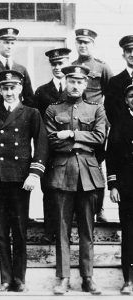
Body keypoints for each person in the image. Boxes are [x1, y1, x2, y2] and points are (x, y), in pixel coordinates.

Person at [0, 70, 48, 292]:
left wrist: (34, 174)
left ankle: (20, 279)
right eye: (5, 88)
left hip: (20, 180)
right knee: (1, 231)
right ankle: (5, 278)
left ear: (20, 89)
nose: (9, 92)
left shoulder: (31, 113)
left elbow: (42, 146)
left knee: (18, 230)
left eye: (13, 88)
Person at [44, 65, 106, 295]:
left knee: (87, 229)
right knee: (62, 229)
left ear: (85, 84)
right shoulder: (53, 109)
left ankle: (88, 277)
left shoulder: (96, 109)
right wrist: (83, 142)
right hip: (62, 174)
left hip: (89, 176)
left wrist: (71, 135)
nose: (75, 86)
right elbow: (52, 141)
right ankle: (63, 277)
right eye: (72, 81)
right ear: (66, 81)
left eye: (80, 82)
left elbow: (100, 138)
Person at [72, 28, 113, 223]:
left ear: (93, 45)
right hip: (77, 123)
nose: (83, 45)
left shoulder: (102, 68)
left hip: (96, 123)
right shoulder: (71, 67)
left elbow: (111, 96)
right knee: (77, 164)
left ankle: (100, 208)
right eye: (79, 42)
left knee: (96, 165)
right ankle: (76, 209)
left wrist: (107, 123)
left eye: (86, 42)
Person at [34, 47, 71, 243]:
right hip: (48, 149)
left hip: (69, 150)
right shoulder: (42, 91)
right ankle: (50, 231)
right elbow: (37, 123)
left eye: (61, 63)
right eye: (54, 64)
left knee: (69, 190)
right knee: (49, 189)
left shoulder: (75, 89)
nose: (57, 67)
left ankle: (66, 233)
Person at [106, 84, 133, 295]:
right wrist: (113, 185)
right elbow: (111, 157)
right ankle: (128, 280)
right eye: (131, 96)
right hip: (127, 188)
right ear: (126, 100)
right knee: (129, 234)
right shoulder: (119, 124)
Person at [0, 28, 35, 107]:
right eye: (6, 43)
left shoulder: (21, 69)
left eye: (12, 43)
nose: (9, 47)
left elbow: (29, 98)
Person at [105, 35, 133, 127]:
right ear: (123, 55)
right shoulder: (114, 81)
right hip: (121, 134)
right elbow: (110, 111)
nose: (132, 54)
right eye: (128, 51)